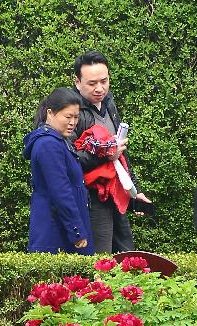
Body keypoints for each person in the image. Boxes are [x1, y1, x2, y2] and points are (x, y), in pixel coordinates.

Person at [70, 50, 151, 253]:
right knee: (101, 256)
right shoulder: (71, 110)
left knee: (126, 253)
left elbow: (121, 153)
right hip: (92, 196)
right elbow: (70, 158)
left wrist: (134, 190)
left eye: (104, 81)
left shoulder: (109, 103)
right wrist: (104, 156)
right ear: (77, 82)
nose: (100, 88)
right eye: (92, 83)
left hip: (116, 190)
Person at [23, 88, 94, 255]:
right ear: (50, 113)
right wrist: (76, 231)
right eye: (68, 117)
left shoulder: (59, 141)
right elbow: (60, 190)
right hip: (56, 230)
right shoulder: (49, 144)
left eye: (76, 117)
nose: (73, 122)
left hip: (62, 227)